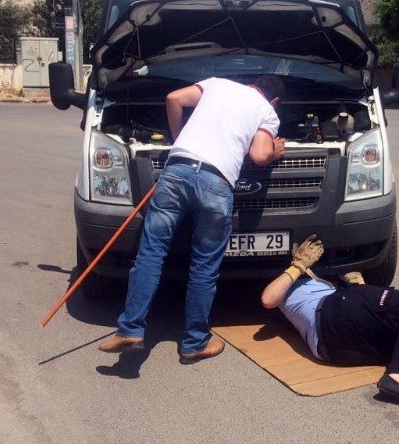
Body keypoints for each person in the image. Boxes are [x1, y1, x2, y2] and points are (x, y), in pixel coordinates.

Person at [99, 75, 286, 362]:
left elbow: (173, 99)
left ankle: (130, 329)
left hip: (176, 171)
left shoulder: (218, 83)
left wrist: (179, 138)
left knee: (150, 253)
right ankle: (195, 343)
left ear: (251, 83)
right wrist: (275, 151)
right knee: (204, 266)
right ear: (274, 100)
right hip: (216, 183)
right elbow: (259, 155)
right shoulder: (267, 111)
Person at [259, 236, 399, 409]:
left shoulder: (318, 282)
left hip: (333, 349)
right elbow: (268, 299)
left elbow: (362, 314)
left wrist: (356, 284)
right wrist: (297, 266)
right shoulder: (288, 282)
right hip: (331, 312)